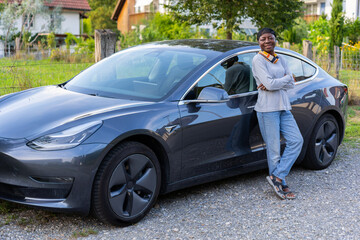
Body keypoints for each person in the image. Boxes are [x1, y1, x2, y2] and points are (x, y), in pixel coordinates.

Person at [252, 28, 303, 200]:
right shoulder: (258, 60)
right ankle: (281, 183)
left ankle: (277, 176)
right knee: (274, 150)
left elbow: (290, 83)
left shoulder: (280, 59)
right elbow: (273, 83)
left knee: (297, 141)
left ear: (275, 40)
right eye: (263, 39)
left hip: (283, 107)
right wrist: (282, 80)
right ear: (258, 41)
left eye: (270, 38)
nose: (267, 41)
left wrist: (276, 83)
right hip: (267, 109)